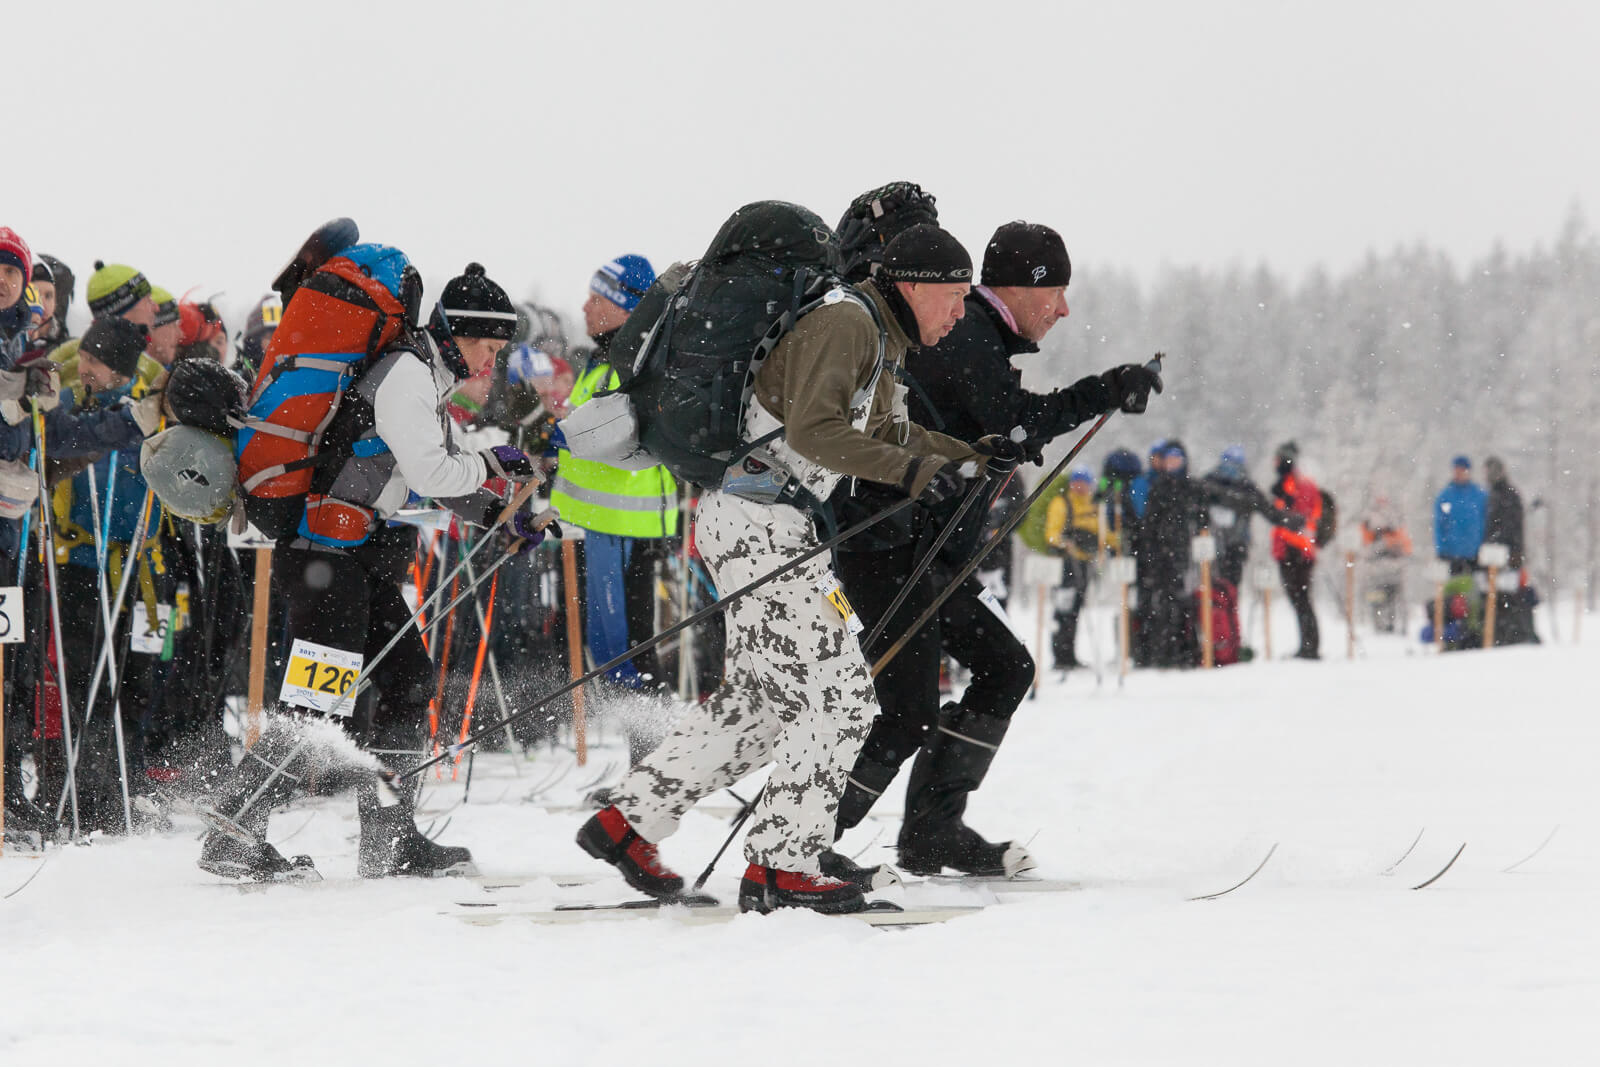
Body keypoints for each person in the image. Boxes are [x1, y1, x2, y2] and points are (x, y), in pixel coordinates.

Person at [576, 223, 982, 914]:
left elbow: (882, 432)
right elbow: (813, 433)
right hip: (761, 519)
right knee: (842, 699)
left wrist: (967, 455)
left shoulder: (877, 334)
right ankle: (782, 866)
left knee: (761, 708)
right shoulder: (850, 324)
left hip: (763, 520)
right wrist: (914, 473)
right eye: (957, 295)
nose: (961, 310)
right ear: (915, 286)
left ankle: (627, 820)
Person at [829, 220, 1162, 880]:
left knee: (1003, 668)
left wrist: (1108, 387)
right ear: (1024, 287)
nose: (1063, 309)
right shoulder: (970, 336)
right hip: (890, 547)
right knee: (907, 710)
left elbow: (1008, 422)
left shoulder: (979, 336)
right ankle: (803, 839)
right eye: (1056, 294)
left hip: (928, 556)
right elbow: (1017, 422)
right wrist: (1105, 389)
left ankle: (931, 832)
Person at [196, 260, 545, 881]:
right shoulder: (408, 374)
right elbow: (435, 472)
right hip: (324, 554)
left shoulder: (422, 376)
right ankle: (234, 828)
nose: (491, 362)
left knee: (409, 681)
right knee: (319, 697)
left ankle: (391, 840)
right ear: (457, 335)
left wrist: (503, 511)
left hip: (354, 555)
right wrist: (491, 465)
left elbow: (435, 460)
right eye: (487, 346)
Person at [549, 255, 679, 761]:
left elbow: (600, 441)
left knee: (628, 656)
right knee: (609, 656)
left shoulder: (633, 362)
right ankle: (640, 775)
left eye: (597, 298)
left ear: (625, 307)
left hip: (624, 529)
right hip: (595, 529)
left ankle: (650, 775)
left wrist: (551, 443)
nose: (585, 306)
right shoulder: (603, 361)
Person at [1045, 466, 1107, 669]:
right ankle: (1060, 656)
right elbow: (1051, 534)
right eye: (1076, 482)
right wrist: (1066, 542)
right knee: (1063, 610)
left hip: (1085, 563)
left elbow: (1103, 532)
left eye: (1084, 482)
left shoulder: (1094, 505)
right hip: (1066, 563)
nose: (1080, 486)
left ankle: (1069, 655)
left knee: (1075, 610)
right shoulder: (1061, 503)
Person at [1270, 441, 1322, 659]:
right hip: (1301, 551)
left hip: (1294, 552)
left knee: (1300, 601)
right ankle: (1309, 645)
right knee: (1302, 601)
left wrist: (1289, 539)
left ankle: (1309, 647)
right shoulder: (1304, 484)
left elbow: (1292, 519)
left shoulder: (1292, 485)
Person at [1483, 456, 1538, 644]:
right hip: (1492, 556)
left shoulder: (1510, 495)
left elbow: (1516, 526)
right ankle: (1500, 636)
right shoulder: (1489, 495)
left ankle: (1516, 635)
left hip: (1509, 555)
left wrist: (1516, 552)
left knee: (1512, 596)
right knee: (1494, 597)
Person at [1201, 445, 1258, 589]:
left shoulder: (1209, 483)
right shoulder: (1247, 488)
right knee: (1228, 586)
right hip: (1229, 544)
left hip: (1219, 543)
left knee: (1217, 585)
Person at [1434, 455, 1486, 574]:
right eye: (1457, 470)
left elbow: (1485, 521)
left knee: (1475, 588)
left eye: (1462, 470)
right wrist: (1442, 549)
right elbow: (1440, 524)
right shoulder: (1445, 497)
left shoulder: (1479, 496)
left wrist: (1483, 545)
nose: (1459, 473)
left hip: (1476, 553)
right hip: (1453, 554)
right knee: (1455, 588)